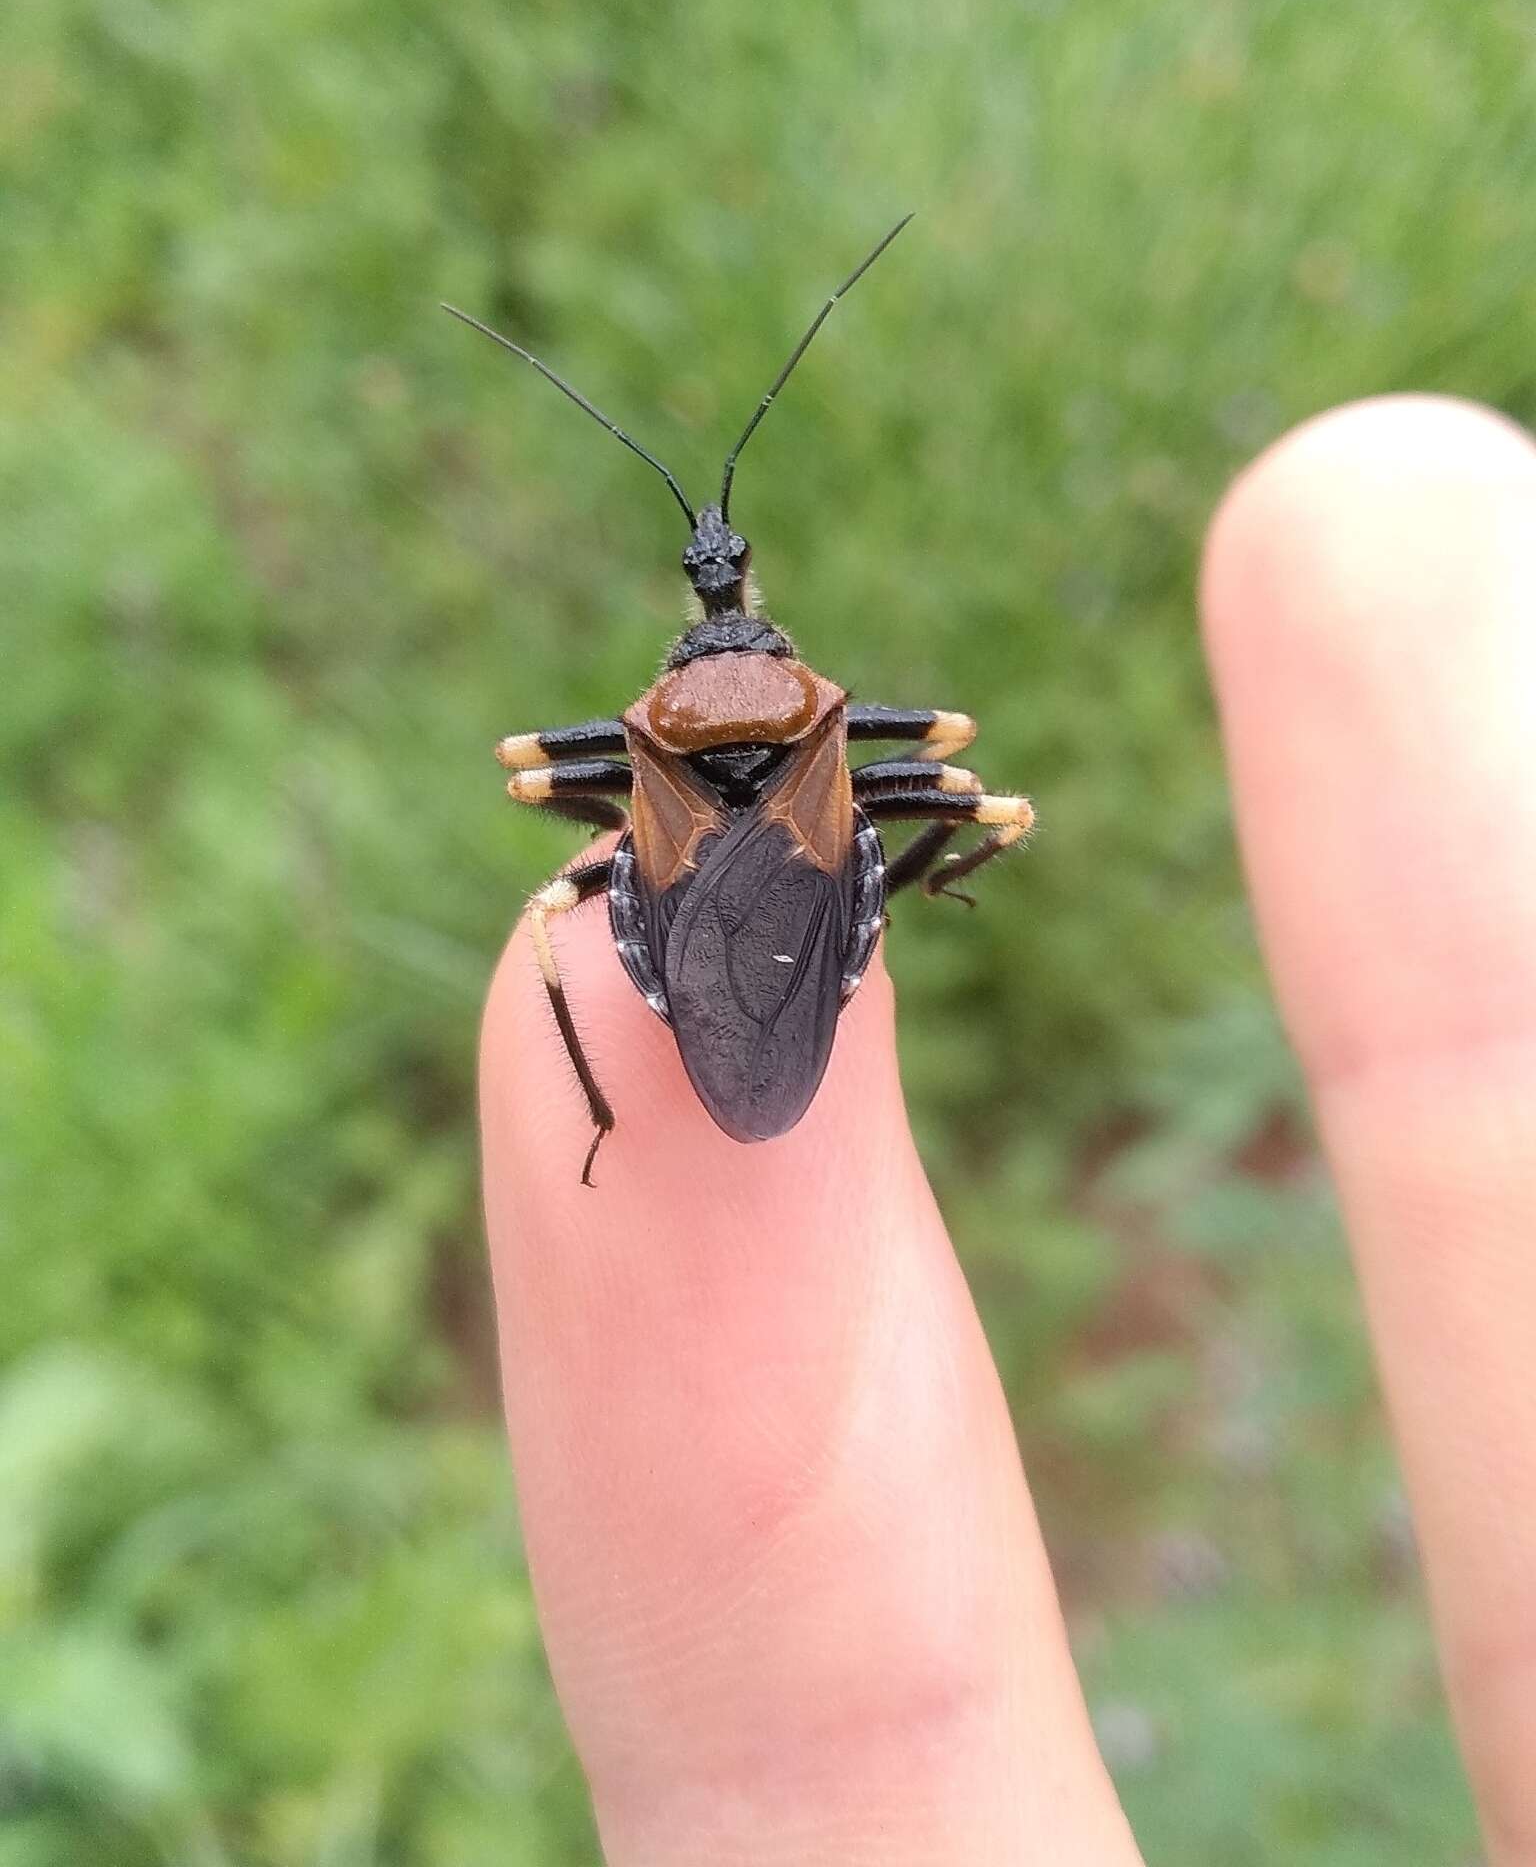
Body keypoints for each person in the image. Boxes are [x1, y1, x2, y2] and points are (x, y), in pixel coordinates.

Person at [480, 397, 1536, 1864]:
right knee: (985, 787)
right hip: (828, 856)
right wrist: (873, 875)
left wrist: (676, 857)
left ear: (682, 656)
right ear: (763, 640)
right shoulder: (835, 730)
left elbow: (526, 770)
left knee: (551, 923)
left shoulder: (647, 748)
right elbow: (955, 749)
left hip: (675, 876)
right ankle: (910, 884)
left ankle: (609, 1102)